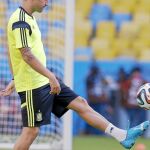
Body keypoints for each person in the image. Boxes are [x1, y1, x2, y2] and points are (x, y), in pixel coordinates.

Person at [0, 0, 149, 150]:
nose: (47, 2)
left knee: (80, 103)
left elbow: (11, 50)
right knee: (31, 131)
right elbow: (26, 55)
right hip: (32, 85)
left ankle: (121, 135)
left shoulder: (29, 18)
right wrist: (50, 76)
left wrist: (15, 77)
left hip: (43, 80)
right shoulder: (20, 21)